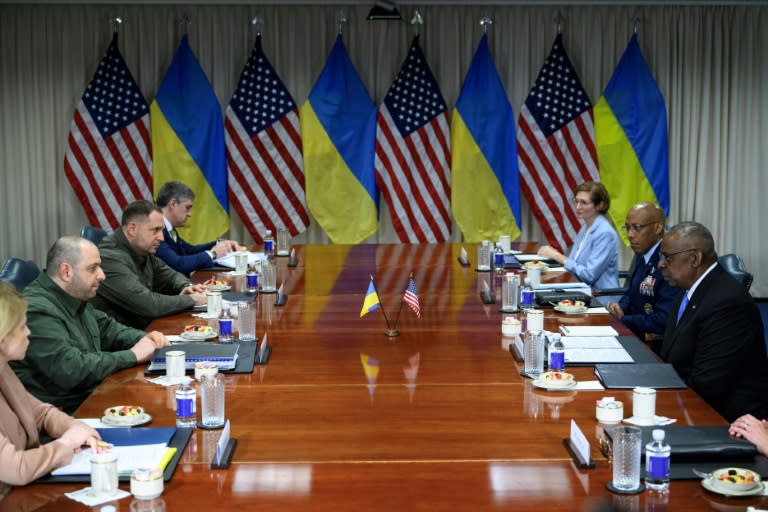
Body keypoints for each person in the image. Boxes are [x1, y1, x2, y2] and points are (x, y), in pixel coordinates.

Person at [10, 236, 170, 413]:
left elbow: (108, 329)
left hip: (92, 395)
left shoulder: (73, 294)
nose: (102, 275)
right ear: (66, 272)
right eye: (93, 268)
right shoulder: (36, 310)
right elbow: (71, 369)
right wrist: (132, 355)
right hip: (68, 413)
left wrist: (146, 339)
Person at [0, 281, 104, 492]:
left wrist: (73, 427)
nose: (29, 332)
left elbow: (40, 412)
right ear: (2, 338)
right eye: (22, 327)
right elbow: (16, 468)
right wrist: (65, 444)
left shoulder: (3, 368)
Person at [659, 222, 768, 422]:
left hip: (724, 419)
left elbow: (707, 385)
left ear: (694, 258)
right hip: (688, 398)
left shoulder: (728, 303)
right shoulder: (687, 290)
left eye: (667, 258)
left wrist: (652, 389)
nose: (661, 264)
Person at [91, 200, 207, 329]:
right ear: (132, 229)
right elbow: (147, 304)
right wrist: (192, 299)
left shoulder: (142, 250)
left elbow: (170, 275)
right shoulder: (109, 258)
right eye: (155, 230)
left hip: (143, 329)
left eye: (162, 230)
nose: (161, 238)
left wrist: (187, 286)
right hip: (121, 341)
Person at [605, 203, 676, 351]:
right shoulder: (643, 253)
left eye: (637, 228)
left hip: (650, 344)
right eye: (628, 228)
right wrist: (619, 308)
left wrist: (624, 319)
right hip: (631, 333)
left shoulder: (669, 261)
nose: (630, 235)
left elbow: (663, 320)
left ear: (658, 228)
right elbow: (632, 291)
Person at [537, 181, 619, 290]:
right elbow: (573, 264)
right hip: (579, 290)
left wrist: (558, 256)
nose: (578, 207)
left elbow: (589, 276)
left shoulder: (605, 233)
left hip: (599, 298)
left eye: (584, 203)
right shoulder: (586, 227)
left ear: (600, 205)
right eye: (576, 201)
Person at [155, 181, 239, 276]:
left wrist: (220, 244)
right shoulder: (156, 230)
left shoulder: (168, 227)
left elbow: (190, 250)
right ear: (173, 204)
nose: (190, 214)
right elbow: (178, 264)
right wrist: (213, 254)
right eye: (187, 208)